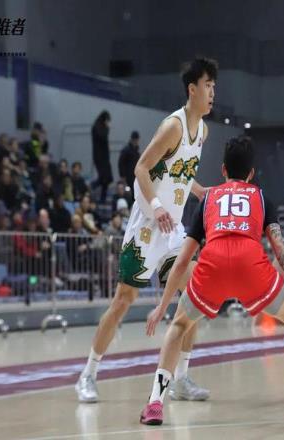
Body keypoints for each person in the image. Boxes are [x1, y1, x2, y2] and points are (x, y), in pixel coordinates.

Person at [140, 136, 284, 426]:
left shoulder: (208, 199)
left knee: (179, 325)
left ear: (223, 169)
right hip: (251, 267)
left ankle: (155, 404)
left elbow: (182, 261)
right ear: (252, 173)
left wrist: (162, 306)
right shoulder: (262, 198)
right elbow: (280, 249)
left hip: (213, 266)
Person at [75, 57, 217, 403]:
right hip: (148, 225)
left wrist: (198, 190)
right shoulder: (173, 126)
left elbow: (178, 170)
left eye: (215, 86)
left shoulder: (203, 131)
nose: (213, 92)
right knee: (124, 300)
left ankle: (181, 378)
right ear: (192, 89)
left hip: (173, 230)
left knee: (194, 295)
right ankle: (87, 375)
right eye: (208, 86)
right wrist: (156, 205)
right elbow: (141, 168)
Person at [92, 111, 113, 202]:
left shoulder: (101, 127)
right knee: (103, 178)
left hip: (105, 157)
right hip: (99, 157)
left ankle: (102, 197)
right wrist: (107, 128)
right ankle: (91, 186)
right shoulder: (97, 127)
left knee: (108, 178)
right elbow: (102, 137)